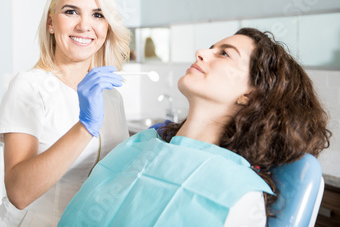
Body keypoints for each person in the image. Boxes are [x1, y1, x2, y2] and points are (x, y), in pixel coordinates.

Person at [59, 27, 331, 227]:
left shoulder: (237, 196)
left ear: (250, 93)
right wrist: (85, 126)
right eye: (210, 47)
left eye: (224, 53)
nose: (201, 52)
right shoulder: (141, 146)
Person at [0, 0, 131, 226]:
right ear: (51, 23)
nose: (84, 26)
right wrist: (85, 127)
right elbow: (18, 193)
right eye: (71, 11)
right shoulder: (29, 87)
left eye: (97, 15)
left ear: (107, 27)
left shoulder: (112, 98)